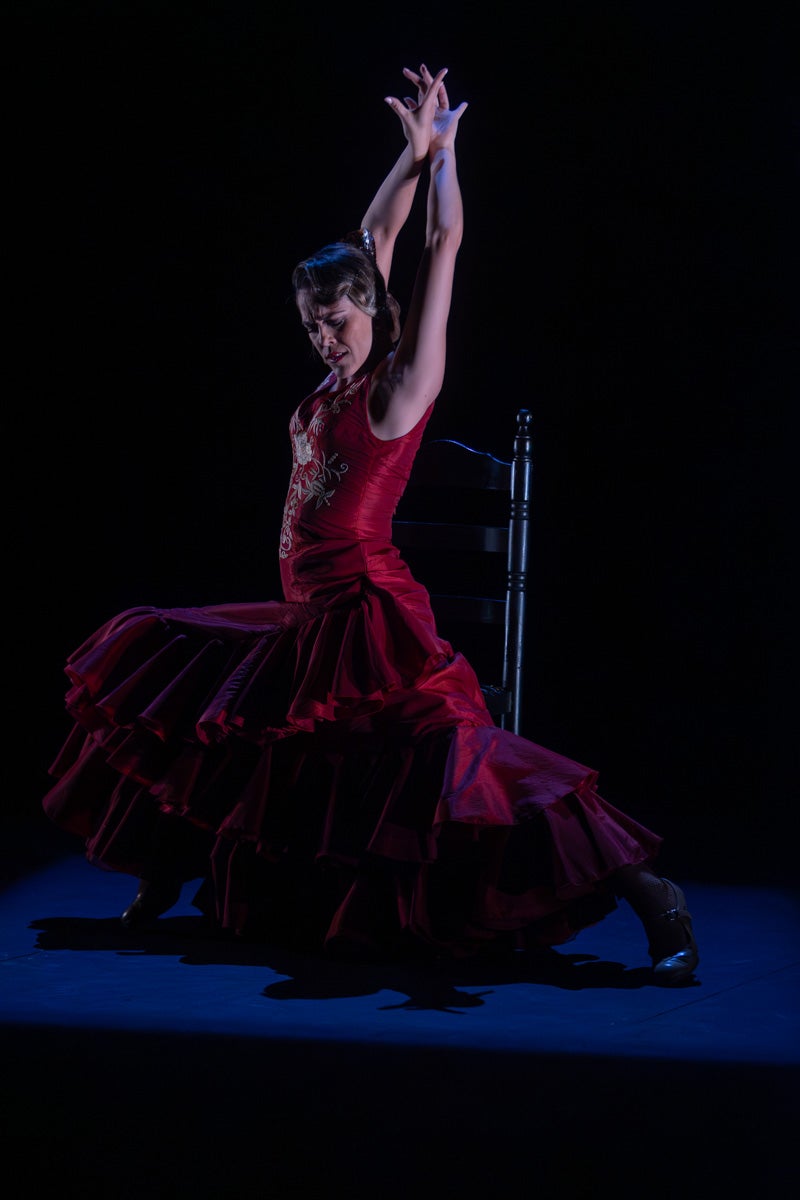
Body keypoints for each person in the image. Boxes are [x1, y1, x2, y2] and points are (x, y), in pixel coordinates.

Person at [42, 62, 699, 985]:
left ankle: (652, 894)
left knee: (463, 766)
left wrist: (446, 158)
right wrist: (408, 151)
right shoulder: (334, 379)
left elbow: (440, 239)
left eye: (336, 319)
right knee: (165, 657)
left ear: (373, 311)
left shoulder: (399, 385)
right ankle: (169, 864)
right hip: (307, 619)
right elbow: (370, 237)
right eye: (312, 323)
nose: (324, 335)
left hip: (367, 618)